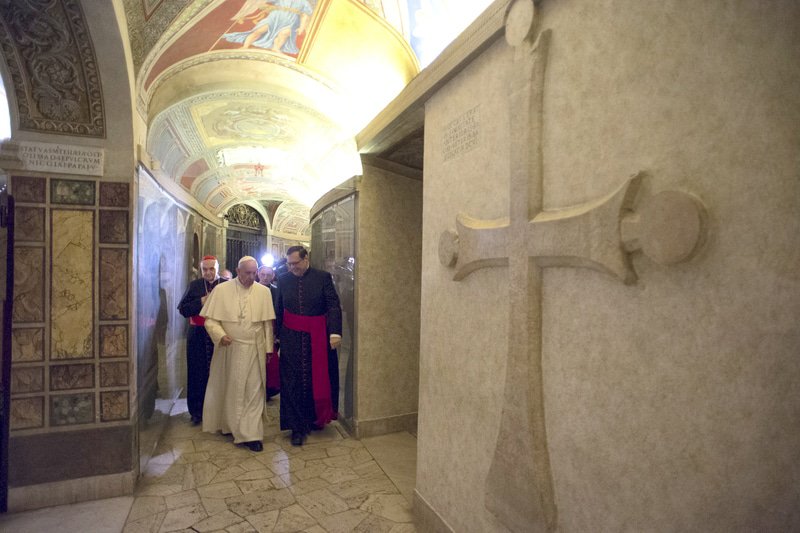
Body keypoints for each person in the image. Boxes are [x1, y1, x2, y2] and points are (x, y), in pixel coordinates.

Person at [200, 256, 275, 452]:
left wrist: (268, 349)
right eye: (247, 273)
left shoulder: (264, 292)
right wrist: (221, 335)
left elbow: (267, 324)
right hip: (230, 349)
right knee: (230, 389)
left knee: (253, 391)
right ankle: (230, 425)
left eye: (254, 273)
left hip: (254, 349)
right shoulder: (221, 290)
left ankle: (251, 434)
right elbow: (210, 321)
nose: (252, 277)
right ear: (238, 270)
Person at [275, 246, 342, 446]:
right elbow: (279, 308)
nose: (292, 267)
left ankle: (316, 418)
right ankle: (296, 427)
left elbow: (333, 305)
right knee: (292, 381)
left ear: (306, 259)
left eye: (295, 263)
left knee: (316, 378)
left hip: (318, 337)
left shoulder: (322, 277)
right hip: (291, 337)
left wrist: (335, 331)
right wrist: (276, 337)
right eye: (289, 264)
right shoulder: (283, 279)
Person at [177, 255, 226, 425]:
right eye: (204, 269)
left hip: (221, 334)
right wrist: (201, 300)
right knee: (197, 373)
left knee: (220, 373)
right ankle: (197, 412)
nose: (208, 272)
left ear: (217, 268)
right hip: (197, 334)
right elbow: (183, 310)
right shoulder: (195, 286)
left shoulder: (226, 284)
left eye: (211, 268)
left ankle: (219, 411)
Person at [223, 0, 313, 55]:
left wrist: (301, 27)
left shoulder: (304, 2)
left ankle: (276, 48)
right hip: (274, 18)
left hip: (291, 21)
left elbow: (305, 15)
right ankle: (245, 46)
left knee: (283, 34)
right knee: (258, 31)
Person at [258, 265, 280, 399]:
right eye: (263, 274)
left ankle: (269, 389)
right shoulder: (252, 288)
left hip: (272, 329)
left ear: (273, 276)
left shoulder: (277, 291)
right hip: (256, 329)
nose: (265, 277)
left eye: (268, 275)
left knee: (270, 361)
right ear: (258, 274)